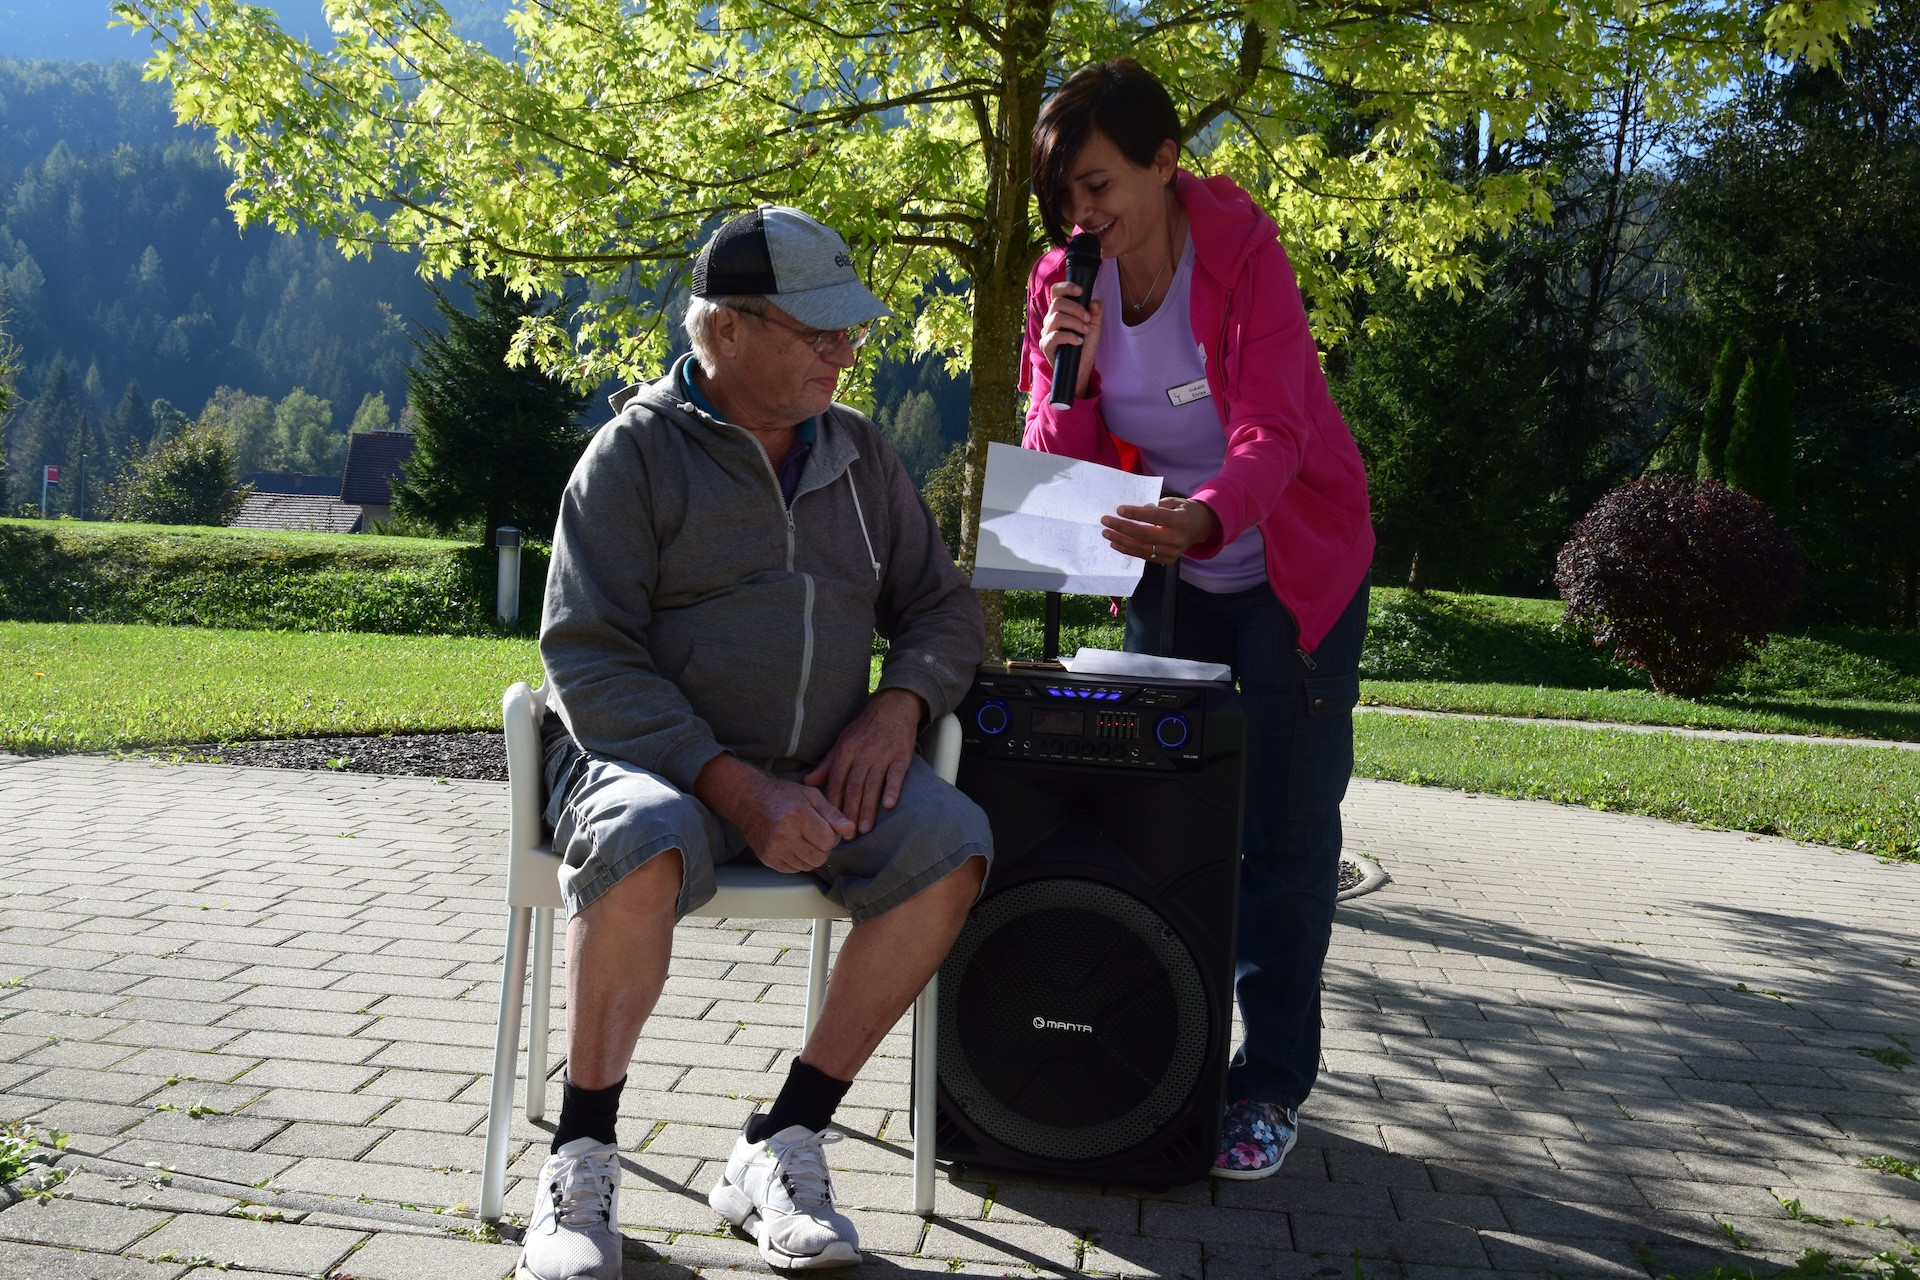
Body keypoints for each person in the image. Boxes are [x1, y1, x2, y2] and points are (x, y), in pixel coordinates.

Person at [527, 205, 992, 1278]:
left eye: (848, 328)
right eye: (817, 328)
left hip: (821, 768)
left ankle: (779, 1139)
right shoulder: (632, 456)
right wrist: (736, 790)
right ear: (727, 329)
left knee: (954, 846)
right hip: (648, 764)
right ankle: (582, 1158)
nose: (847, 348)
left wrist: (899, 707)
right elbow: (587, 656)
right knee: (640, 836)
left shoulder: (864, 456)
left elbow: (944, 611)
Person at [1020, 59, 1374, 1181]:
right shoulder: (1060, 282)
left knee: (1279, 834)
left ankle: (1268, 1084)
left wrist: (1206, 517)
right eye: (1065, 198)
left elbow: (1277, 429)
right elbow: (1053, 466)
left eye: (1099, 186)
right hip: (1163, 579)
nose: (1082, 216)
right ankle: (1168, 1056)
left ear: (1166, 161)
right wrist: (1063, 374)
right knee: (1156, 827)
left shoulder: (1243, 253)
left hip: (1286, 569)